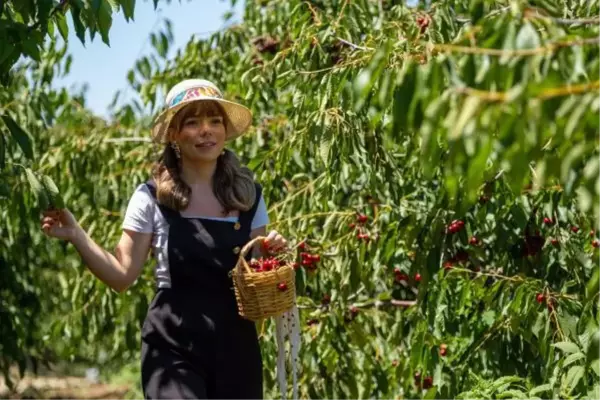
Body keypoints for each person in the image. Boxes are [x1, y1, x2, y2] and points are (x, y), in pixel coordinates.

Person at [41, 79, 288, 400]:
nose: (206, 130)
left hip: (235, 348)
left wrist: (271, 254)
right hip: (173, 346)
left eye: (215, 121)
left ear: (226, 131)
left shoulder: (248, 196)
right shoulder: (151, 198)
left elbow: (254, 274)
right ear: (173, 134)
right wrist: (76, 234)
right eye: (193, 122)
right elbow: (121, 274)